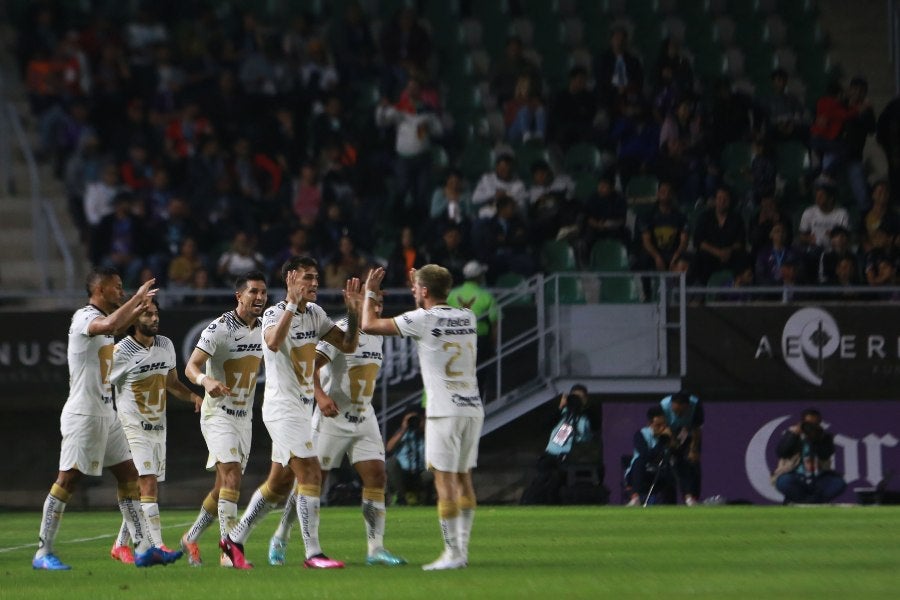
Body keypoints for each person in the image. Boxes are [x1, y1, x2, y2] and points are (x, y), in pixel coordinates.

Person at [217, 257, 362, 570]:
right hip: (282, 408)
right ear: (291, 280)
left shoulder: (316, 314)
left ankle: (233, 539)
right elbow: (271, 342)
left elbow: (348, 346)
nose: (314, 283)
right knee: (311, 472)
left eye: (316, 277)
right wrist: (291, 305)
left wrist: (353, 310)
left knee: (279, 484)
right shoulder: (272, 312)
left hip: (301, 406)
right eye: (307, 277)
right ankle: (313, 553)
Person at [33, 267, 181, 570]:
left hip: (107, 413)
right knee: (68, 480)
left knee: (129, 475)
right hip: (83, 414)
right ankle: (42, 551)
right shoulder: (84, 318)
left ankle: (142, 548)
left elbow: (117, 324)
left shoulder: (108, 326)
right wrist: (138, 299)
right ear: (99, 290)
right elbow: (112, 323)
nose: (122, 292)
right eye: (117, 287)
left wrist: (139, 306)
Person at [266, 289, 406, 567]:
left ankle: (375, 548)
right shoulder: (342, 329)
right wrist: (320, 396)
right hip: (333, 418)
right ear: (360, 306)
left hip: (364, 416)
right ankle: (282, 534)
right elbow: (311, 367)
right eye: (371, 303)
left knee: (377, 476)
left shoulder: (378, 335)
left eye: (379, 304)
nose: (377, 309)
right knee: (314, 481)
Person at [362, 264, 483, 571]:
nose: (413, 291)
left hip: (443, 411)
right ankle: (462, 551)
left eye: (416, 288)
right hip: (471, 407)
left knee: (444, 482)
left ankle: (452, 553)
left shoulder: (422, 319)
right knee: (464, 479)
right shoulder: (467, 316)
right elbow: (446, 307)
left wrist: (369, 293)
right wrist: (425, 279)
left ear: (425, 291)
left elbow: (368, 324)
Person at [179, 271, 268, 568]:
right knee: (231, 474)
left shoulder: (265, 328)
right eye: (253, 292)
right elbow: (191, 366)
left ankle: (190, 537)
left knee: (223, 487)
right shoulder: (220, 328)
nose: (259, 297)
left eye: (263, 292)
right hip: (218, 414)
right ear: (239, 296)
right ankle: (228, 551)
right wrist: (205, 381)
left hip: (244, 418)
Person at [108, 300, 203, 562]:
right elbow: (101, 383)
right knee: (147, 482)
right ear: (133, 320)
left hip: (157, 428)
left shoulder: (166, 345)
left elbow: (172, 383)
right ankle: (157, 544)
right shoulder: (120, 352)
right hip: (131, 427)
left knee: (144, 489)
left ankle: (120, 544)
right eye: (147, 314)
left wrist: (194, 397)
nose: (154, 318)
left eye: (155, 313)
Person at [520, 385, 595, 505]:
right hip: (549, 455)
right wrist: (561, 406)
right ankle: (529, 502)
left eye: (579, 398)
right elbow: (544, 424)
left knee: (556, 485)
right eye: (574, 397)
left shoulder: (583, 420)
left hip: (564, 458)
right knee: (542, 481)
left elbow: (586, 439)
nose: (576, 401)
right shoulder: (562, 414)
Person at [771, 408, 847, 504]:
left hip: (819, 477)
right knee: (783, 482)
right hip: (795, 475)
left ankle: (809, 502)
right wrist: (794, 435)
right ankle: (809, 502)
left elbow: (825, 455)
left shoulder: (825, 437)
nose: (811, 426)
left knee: (838, 483)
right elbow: (781, 452)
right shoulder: (792, 434)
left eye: (815, 424)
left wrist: (815, 439)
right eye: (809, 423)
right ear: (802, 422)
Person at [447, 261, 498, 399]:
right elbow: (494, 323)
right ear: (478, 277)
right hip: (479, 341)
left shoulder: (452, 294)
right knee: (478, 377)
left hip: (456, 340)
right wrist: (493, 344)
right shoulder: (486, 295)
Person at [624, 406, 678, 506]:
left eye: (664, 425)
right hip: (641, 471)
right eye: (658, 425)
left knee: (674, 467)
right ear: (650, 424)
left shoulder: (669, 435)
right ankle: (636, 498)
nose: (662, 428)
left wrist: (673, 445)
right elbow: (646, 455)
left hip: (660, 470)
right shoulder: (641, 434)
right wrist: (662, 441)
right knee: (639, 461)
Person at [659, 391, 703, 506]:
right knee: (673, 464)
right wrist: (672, 442)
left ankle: (692, 497)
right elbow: (663, 427)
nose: (678, 414)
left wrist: (693, 450)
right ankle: (671, 501)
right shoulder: (663, 405)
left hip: (688, 433)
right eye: (675, 411)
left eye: (681, 411)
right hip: (670, 433)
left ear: (687, 406)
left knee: (692, 463)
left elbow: (696, 430)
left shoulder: (696, 405)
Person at [386, 405, 432, 506]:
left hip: (421, 472)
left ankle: (426, 498)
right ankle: (400, 497)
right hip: (403, 472)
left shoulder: (430, 433)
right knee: (390, 463)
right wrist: (404, 429)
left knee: (435, 469)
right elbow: (389, 448)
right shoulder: (402, 433)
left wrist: (424, 428)